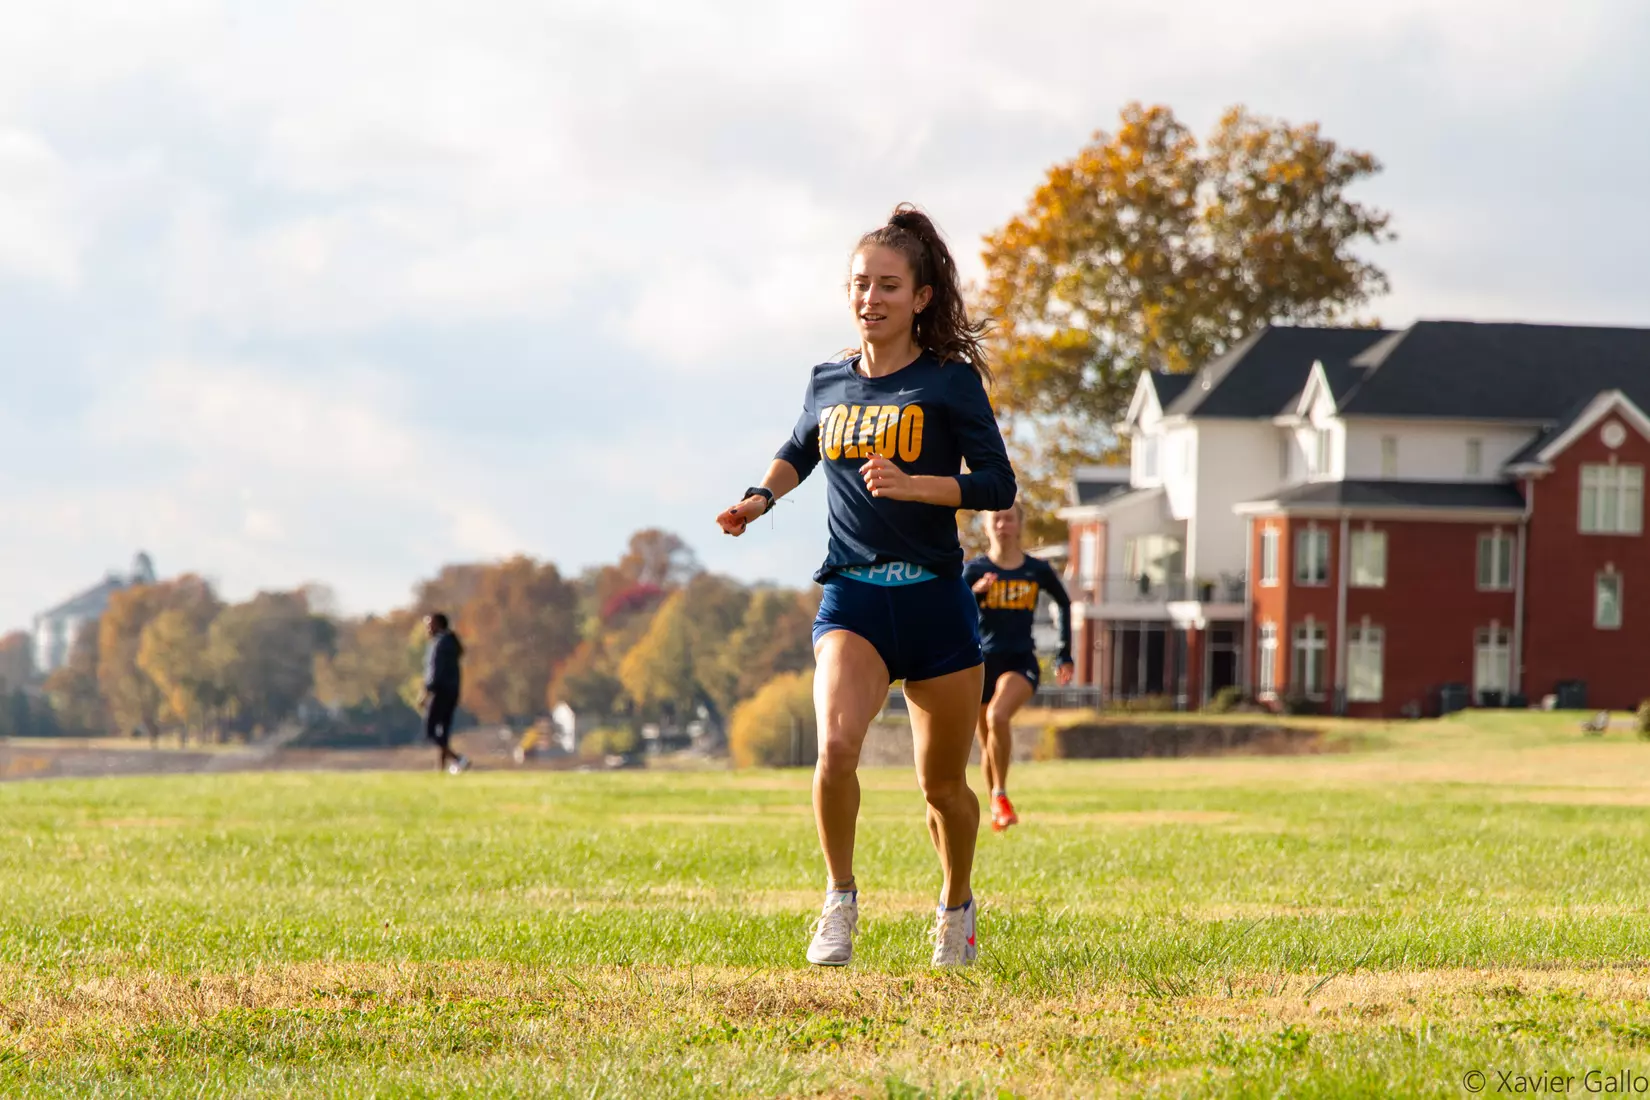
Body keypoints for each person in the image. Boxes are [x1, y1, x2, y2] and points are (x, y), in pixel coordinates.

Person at [717, 204, 1015, 968]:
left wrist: (919, 487)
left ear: (920, 297)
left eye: (888, 285)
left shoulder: (949, 384)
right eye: (859, 285)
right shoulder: (827, 381)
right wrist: (760, 499)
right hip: (853, 597)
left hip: (936, 603)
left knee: (941, 787)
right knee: (837, 749)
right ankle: (839, 901)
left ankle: (956, 909)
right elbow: (799, 446)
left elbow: (996, 484)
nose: (870, 298)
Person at [962, 503, 1073, 832]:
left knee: (998, 716)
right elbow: (949, 607)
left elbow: (1063, 602)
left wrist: (1064, 653)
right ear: (986, 526)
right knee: (987, 744)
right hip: (981, 664)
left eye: (1009, 518)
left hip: (1020, 660)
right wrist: (973, 593)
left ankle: (1000, 794)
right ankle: (998, 807)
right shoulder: (974, 570)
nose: (1002, 524)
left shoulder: (1036, 569)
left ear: (1019, 524)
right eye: (996, 519)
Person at [421, 612, 469, 775]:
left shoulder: (439, 644)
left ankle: (458, 759)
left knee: (430, 730)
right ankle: (440, 768)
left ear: (438, 625)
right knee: (444, 731)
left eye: (429, 624)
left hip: (440, 691)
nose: (427, 628)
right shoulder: (452, 642)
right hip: (453, 691)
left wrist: (426, 693)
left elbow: (435, 671)